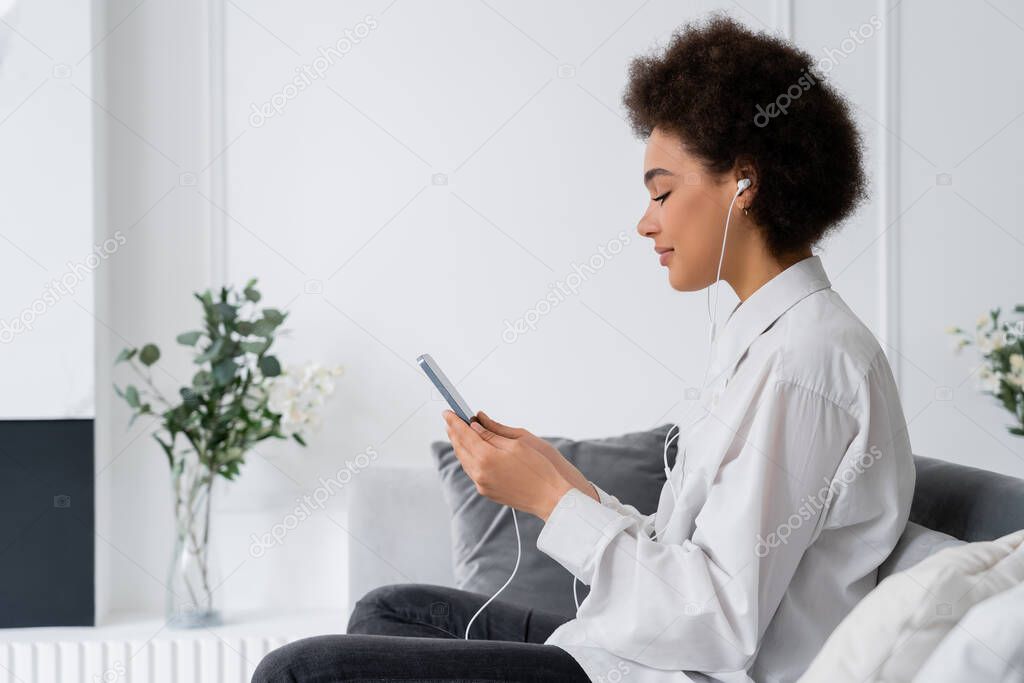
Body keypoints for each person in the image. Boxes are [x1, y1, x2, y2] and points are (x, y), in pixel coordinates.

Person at [253, 13, 915, 683]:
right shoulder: (763, 344)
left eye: (661, 190)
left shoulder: (809, 364)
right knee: (389, 610)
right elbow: (682, 555)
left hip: (676, 673)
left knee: (300, 671)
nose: (645, 220)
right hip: (637, 649)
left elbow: (717, 622)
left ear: (744, 183)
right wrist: (560, 479)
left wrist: (550, 500)